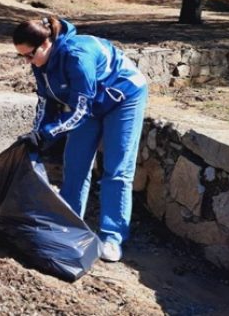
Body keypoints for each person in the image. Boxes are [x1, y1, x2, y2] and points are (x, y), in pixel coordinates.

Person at [14, 16, 148, 263]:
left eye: (29, 55)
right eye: (22, 56)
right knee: (75, 164)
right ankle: (69, 223)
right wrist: (37, 133)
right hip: (90, 102)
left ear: (45, 44)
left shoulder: (77, 56)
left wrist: (48, 133)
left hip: (123, 98)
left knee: (116, 169)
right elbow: (46, 102)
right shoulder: (39, 62)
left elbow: (79, 111)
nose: (27, 62)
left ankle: (112, 236)